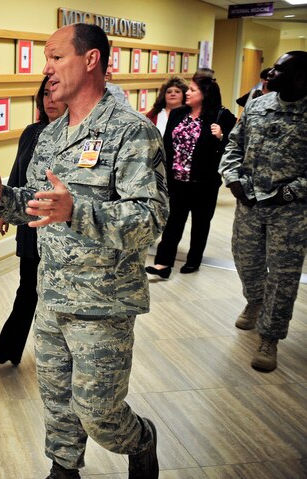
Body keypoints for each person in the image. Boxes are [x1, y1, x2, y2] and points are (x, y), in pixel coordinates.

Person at [0, 23, 167, 479]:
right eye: (46, 59)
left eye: (56, 57)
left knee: (99, 413)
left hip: (103, 303)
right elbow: (34, 206)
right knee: (56, 401)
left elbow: (149, 221)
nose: (46, 68)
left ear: (90, 60)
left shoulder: (133, 133)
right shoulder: (50, 137)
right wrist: (2, 197)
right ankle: (64, 468)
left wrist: (78, 210)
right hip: (51, 295)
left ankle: (142, 439)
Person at [219, 51, 307, 372]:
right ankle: (255, 299)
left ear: (300, 77)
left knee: (283, 275)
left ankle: (270, 336)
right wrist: (232, 178)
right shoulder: (257, 105)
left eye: (280, 69)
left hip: (290, 210)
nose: (269, 72)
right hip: (250, 202)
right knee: (245, 259)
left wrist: (290, 191)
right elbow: (233, 145)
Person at [0, 76, 68, 367]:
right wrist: (6, 210)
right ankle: (9, 347)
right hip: (30, 222)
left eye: (55, 93)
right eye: (45, 94)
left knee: (50, 292)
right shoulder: (32, 132)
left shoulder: (72, 134)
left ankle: (56, 355)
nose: (50, 100)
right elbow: (18, 174)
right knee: (27, 285)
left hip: (59, 229)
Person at [146, 76, 236, 278]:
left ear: (205, 94)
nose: (187, 93)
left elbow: (234, 149)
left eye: (193, 90)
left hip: (204, 183)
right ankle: (163, 263)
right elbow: (167, 146)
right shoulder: (178, 114)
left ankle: (194, 260)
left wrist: (221, 137)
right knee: (173, 223)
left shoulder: (222, 117)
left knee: (200, 224)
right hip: (176, 181)